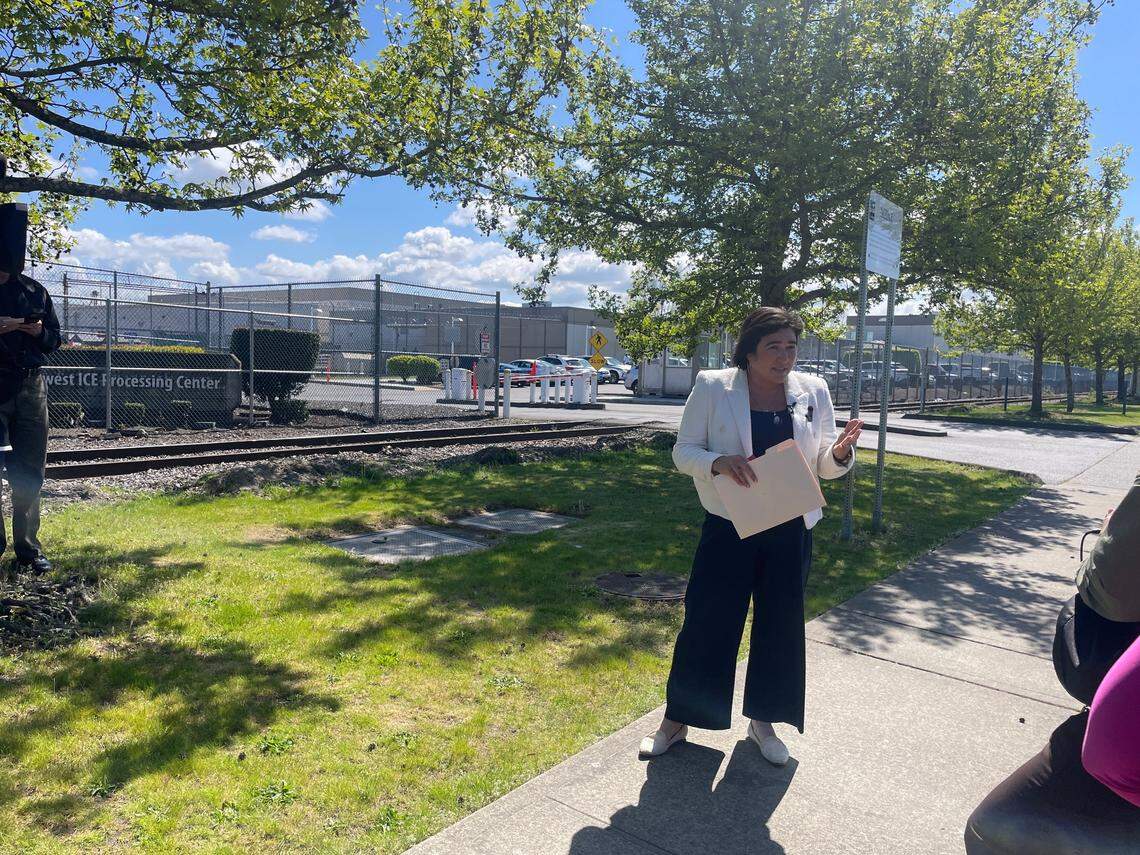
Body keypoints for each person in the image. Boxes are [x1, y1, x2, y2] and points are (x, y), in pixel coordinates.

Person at [640, 307, 863, 764]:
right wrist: (717, 462)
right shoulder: (712, 385)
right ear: (750, 350)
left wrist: (840, 454)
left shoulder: (813, 390)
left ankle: (764, 722)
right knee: (707, 623)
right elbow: (683, 452)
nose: (784, 357)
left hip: (790, 527)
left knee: (779, 627)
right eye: (773, 347)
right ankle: (677, 721)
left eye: (791, 347)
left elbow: (820, 462)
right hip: (729, 526)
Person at [964, 472, 1140, 852]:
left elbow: (1115, 588)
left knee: (990, 831)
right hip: (1116, 745)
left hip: (1121, 761)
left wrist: (1108, 537)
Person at [0, 194, 62, 575]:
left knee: (30, 470)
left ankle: (28, 549)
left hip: (29, 386)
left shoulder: (34, 291)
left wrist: (37, 332)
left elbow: (55, 339)